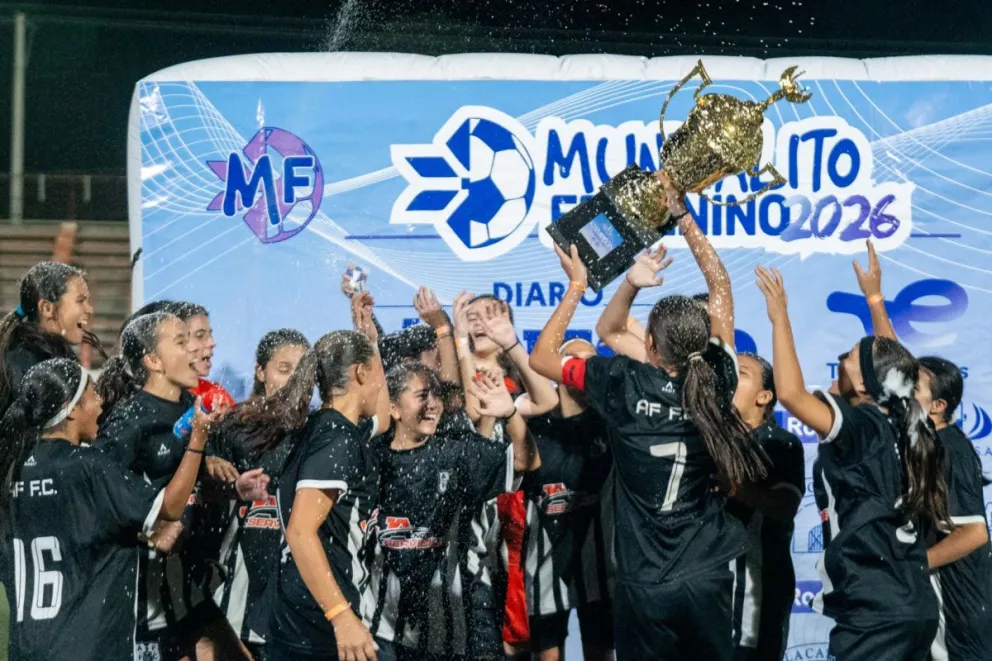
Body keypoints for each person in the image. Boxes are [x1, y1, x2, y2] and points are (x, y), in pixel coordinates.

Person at [530, 171, 767, 661]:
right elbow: (719, 284)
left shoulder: (621, 382)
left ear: (651, 344)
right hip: (707, 571)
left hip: (645, 582)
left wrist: (583, 284)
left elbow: (543, 358)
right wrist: (682, 215)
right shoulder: (720, 374)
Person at [0, 358, 263, 660]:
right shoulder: (87, 467)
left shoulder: (12, 469)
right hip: (87, 647)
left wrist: (141, 534)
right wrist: (198, 440)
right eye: (92, 395)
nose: (100, 403)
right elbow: (170, 509)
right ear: (70, 409)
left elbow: (70, 533)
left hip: (26, 648)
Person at [754, 264, 945, 661]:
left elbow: (789, 393)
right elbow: (897, 370)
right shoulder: (906, 421)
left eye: (848, 359)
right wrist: (875, 299)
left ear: (863, 386)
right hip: (912, 603)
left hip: (875, 608)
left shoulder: (862, 428)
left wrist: (779, 315)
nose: (839, 361)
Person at [95, 311, 263, 660]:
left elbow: (189, 485)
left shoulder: (191, 407)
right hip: (142, 589)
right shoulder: (129, 419)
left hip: (185, 580)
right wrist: (148, 531)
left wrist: (233, 491)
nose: (195, 350)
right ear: (153, 361)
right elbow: (102, 498)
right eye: (182, 341)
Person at [367, 363, 540, 661]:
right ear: (393, 408)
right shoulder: (371, 458)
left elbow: (527, 461)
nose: (433, 403)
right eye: (422, 395)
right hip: (384, 630)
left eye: (436, 394)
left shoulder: (458, 454)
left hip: (452, 630)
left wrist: (509, 413)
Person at [264, 329, 390, 661]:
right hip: (318, 622)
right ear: (361, 373)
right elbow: (301, 532)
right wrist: (341, 616)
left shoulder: (327, 428)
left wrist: (371, 342)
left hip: (298, 615)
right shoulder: (338, 441)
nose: (381, 383)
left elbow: (385, 418)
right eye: (378, 372)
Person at [210, 328, 311, 656]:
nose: (294, 380)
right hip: (239, 587)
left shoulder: (322, 431)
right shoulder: (232, 426)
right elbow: (202, 494)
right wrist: (207, 462)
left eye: (303, 372)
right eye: (284, 370)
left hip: (299, 591)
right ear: (259, 371)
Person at [521, 338, 615, 661]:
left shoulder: (612, 425)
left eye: (591, 361)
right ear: (555, 367)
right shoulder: (534, 425)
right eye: (574, 359)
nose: (583, 367)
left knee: (601, 651)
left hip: (600, 565)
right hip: (544, 562)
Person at [727, 353, 804, 661]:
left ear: (764, 396)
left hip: (756, 589)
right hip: (711, 588)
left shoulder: (780, 443)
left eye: (741, 373)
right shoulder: (704, 440)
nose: (728, 378)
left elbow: (785, 506)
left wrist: (734, 488)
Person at [916, 357, 992, 661]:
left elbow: (974, 533)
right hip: (940, 601)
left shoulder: (949, 449)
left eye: (913, 386)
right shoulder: (928, 444)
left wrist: (913, 566)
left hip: (959, 603)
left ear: (937, 405)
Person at [0, 261, 100, 414]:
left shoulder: (49, 353)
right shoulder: (23, 361)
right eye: (80, 301)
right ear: (47, 308)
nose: (89, 309)